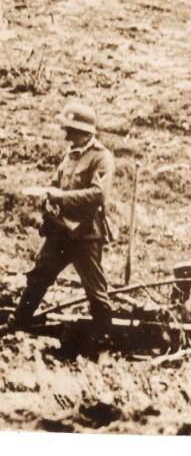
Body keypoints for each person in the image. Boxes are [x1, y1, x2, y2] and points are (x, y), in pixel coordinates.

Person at [4, 103, 115, 336]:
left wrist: (61, 197)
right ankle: (17, 324)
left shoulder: (101, 157)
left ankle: (105, 338)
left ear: (83, 132)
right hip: (60, 233)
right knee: (39, 277)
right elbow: (55, 184)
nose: (66, 135)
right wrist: (47, 197)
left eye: (70, 130)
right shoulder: (70, 156)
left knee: (94, 289)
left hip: (86, 235)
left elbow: (98, 194)